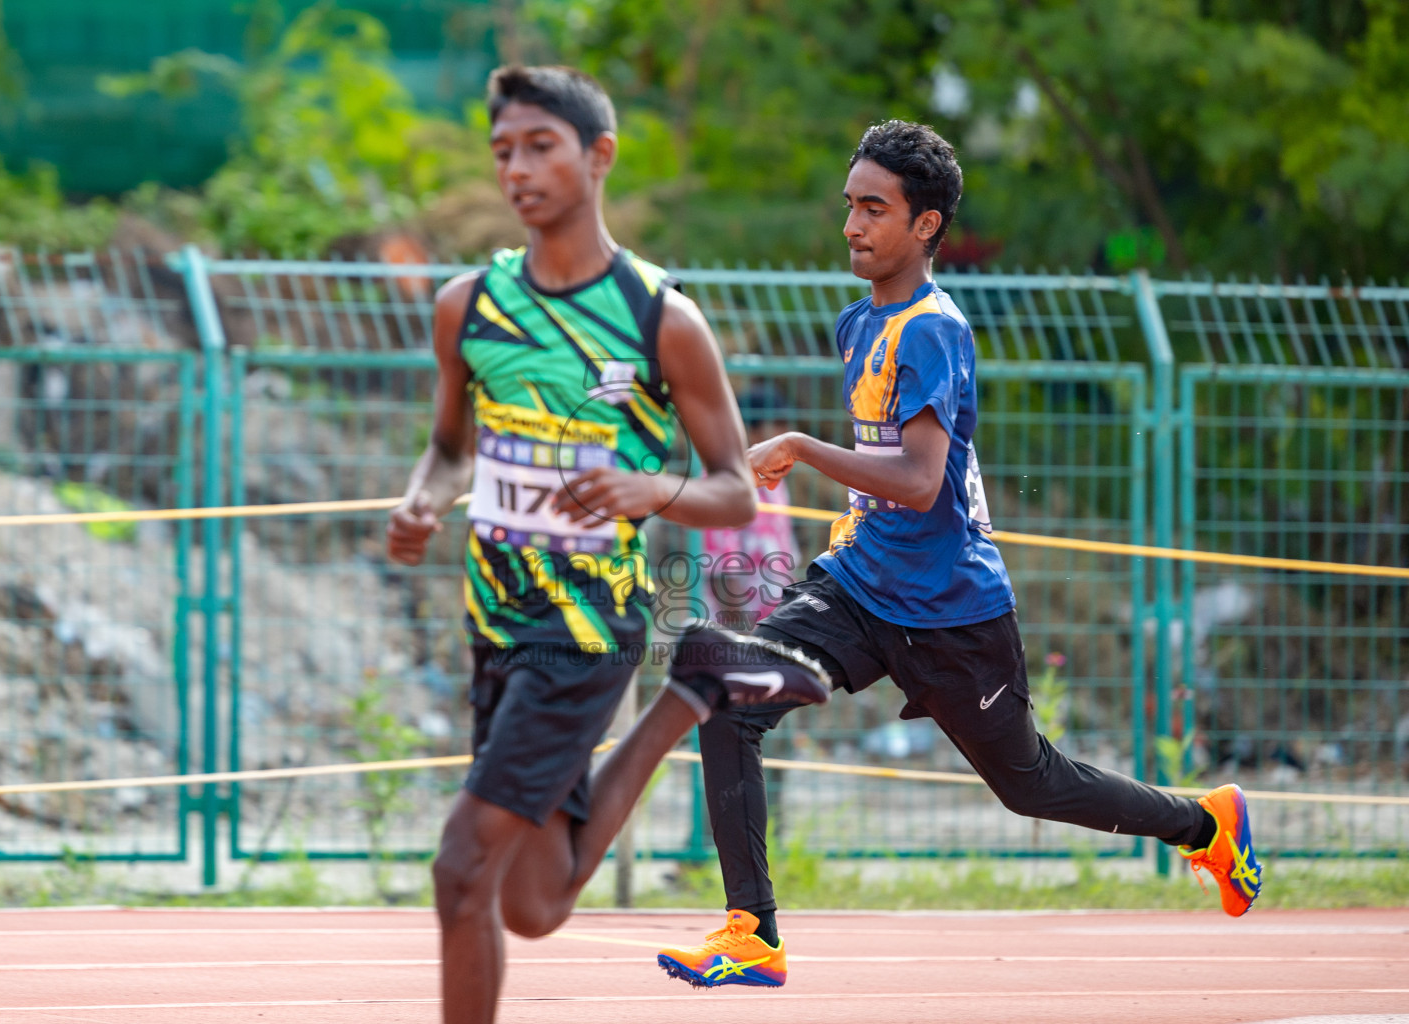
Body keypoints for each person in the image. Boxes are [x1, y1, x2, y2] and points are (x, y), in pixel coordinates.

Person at [655, 120, 1262, 991]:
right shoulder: (857, 322)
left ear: (927, 225)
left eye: (875, 209)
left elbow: (921, 480)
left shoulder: (934, 330)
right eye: (849, 206)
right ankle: (753, 932)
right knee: (724, 688)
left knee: (1032, 784)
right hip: (862, 585)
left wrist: (800, 447)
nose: (852, 226)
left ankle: (1204, 824)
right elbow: (886, 486)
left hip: (952, 611)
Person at [383, 65, 831, 1024]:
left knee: (460, 868)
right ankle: (696, 689)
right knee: (530, 904)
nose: (517, 169)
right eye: (503, 151)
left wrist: (647, 487)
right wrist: (423, 499)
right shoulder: (469, 306)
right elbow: (449, 447)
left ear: (599, 156)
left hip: (588, 629)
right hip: (495, 626)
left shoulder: (661, 321)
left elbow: (728, 483)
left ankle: (688, 681)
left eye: (540, 145)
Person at [700, 388, 802, 632]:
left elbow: (785, 551)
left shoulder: (777, 482)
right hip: (736, 627)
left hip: (774, 623)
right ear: (750, 430)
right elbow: (721, 570)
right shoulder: (721, 482)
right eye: (776, 425)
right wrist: (744, 636)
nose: (783, 435)